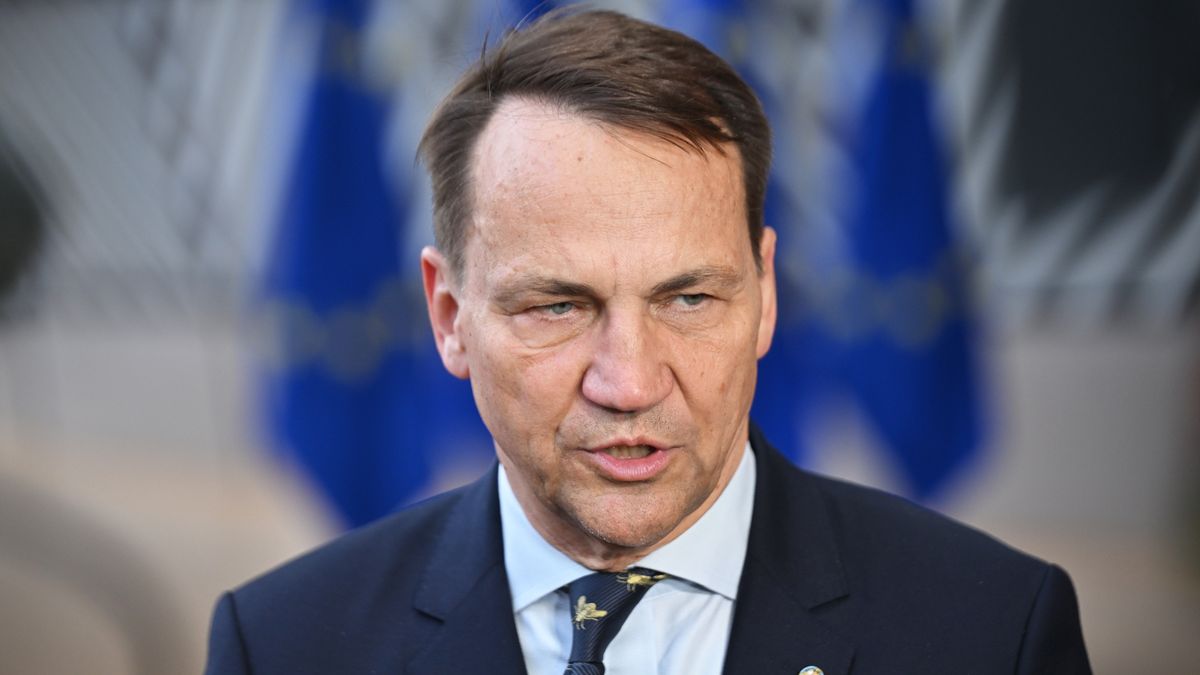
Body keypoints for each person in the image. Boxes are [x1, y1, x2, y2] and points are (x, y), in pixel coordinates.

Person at [205, 9, 1091, 674]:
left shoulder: (994, 632)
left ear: (768, 292)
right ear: (448, 316)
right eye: (557, 306)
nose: (629, 383)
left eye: (690, 297)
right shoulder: (283, 645)